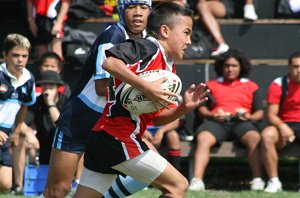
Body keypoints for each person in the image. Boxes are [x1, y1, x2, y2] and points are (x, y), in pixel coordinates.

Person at [74, 3, 208, 198]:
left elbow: (157, 118)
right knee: (178, 186)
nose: (189, 41)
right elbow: (109, 62)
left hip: (103, 137)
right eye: (186, 32)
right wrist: (146, 87)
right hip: (118, 137)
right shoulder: (148, 47)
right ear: (164, 31)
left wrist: (184, 108)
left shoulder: (166, 68)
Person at [42, 0, 154, 197]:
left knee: (150, 172)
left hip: (110, 127)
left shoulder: (149, 42)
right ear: (121, 10)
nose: (137, 13)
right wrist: (145, 89)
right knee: (57, 191)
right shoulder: (113, 35)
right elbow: (102, 87)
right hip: (80, 121)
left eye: (143, 7)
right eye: (131, 7)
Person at [188, 48, 265, 191]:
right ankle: (197, 180)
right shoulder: (211, 85)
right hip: (217, 122)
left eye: (234, 66)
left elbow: (260, 112)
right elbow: (201, 109)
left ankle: (257, 180)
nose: (230, 69)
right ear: (221, 67)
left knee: (254, 137)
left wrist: (249, 116)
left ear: (241, 67)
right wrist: (212, 115)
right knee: (203, 137)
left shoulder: (251, 86)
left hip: (242, 122)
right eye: (227, 66)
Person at [10, 52, 71, 195]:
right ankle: (18, 186)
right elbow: (21, 122)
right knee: (20, 138)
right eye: (45, 85)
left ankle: (76, 182)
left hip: (63, 148)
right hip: (41, 148)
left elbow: (62, 126)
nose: (47, 88)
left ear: (58, 87)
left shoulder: (65, 101)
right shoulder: (36, 102)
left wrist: (50, 104)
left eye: (51, 85)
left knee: (81, 140)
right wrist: (29, 134)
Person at [0, 34, 36, 193]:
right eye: (15, 55)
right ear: (4, 55)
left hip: (6, 133)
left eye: (24, 56)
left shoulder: (28, 79)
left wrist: (17, 129)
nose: (20, 60)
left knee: (5, 185)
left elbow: (24, 107)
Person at [261, 52, 300, 193]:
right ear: (289, 67)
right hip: (284, 122)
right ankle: (274, 181)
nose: (299, 70)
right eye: (296, 66)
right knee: (267, 135)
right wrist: (283, 126)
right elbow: (271, 115)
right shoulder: (278, 84)